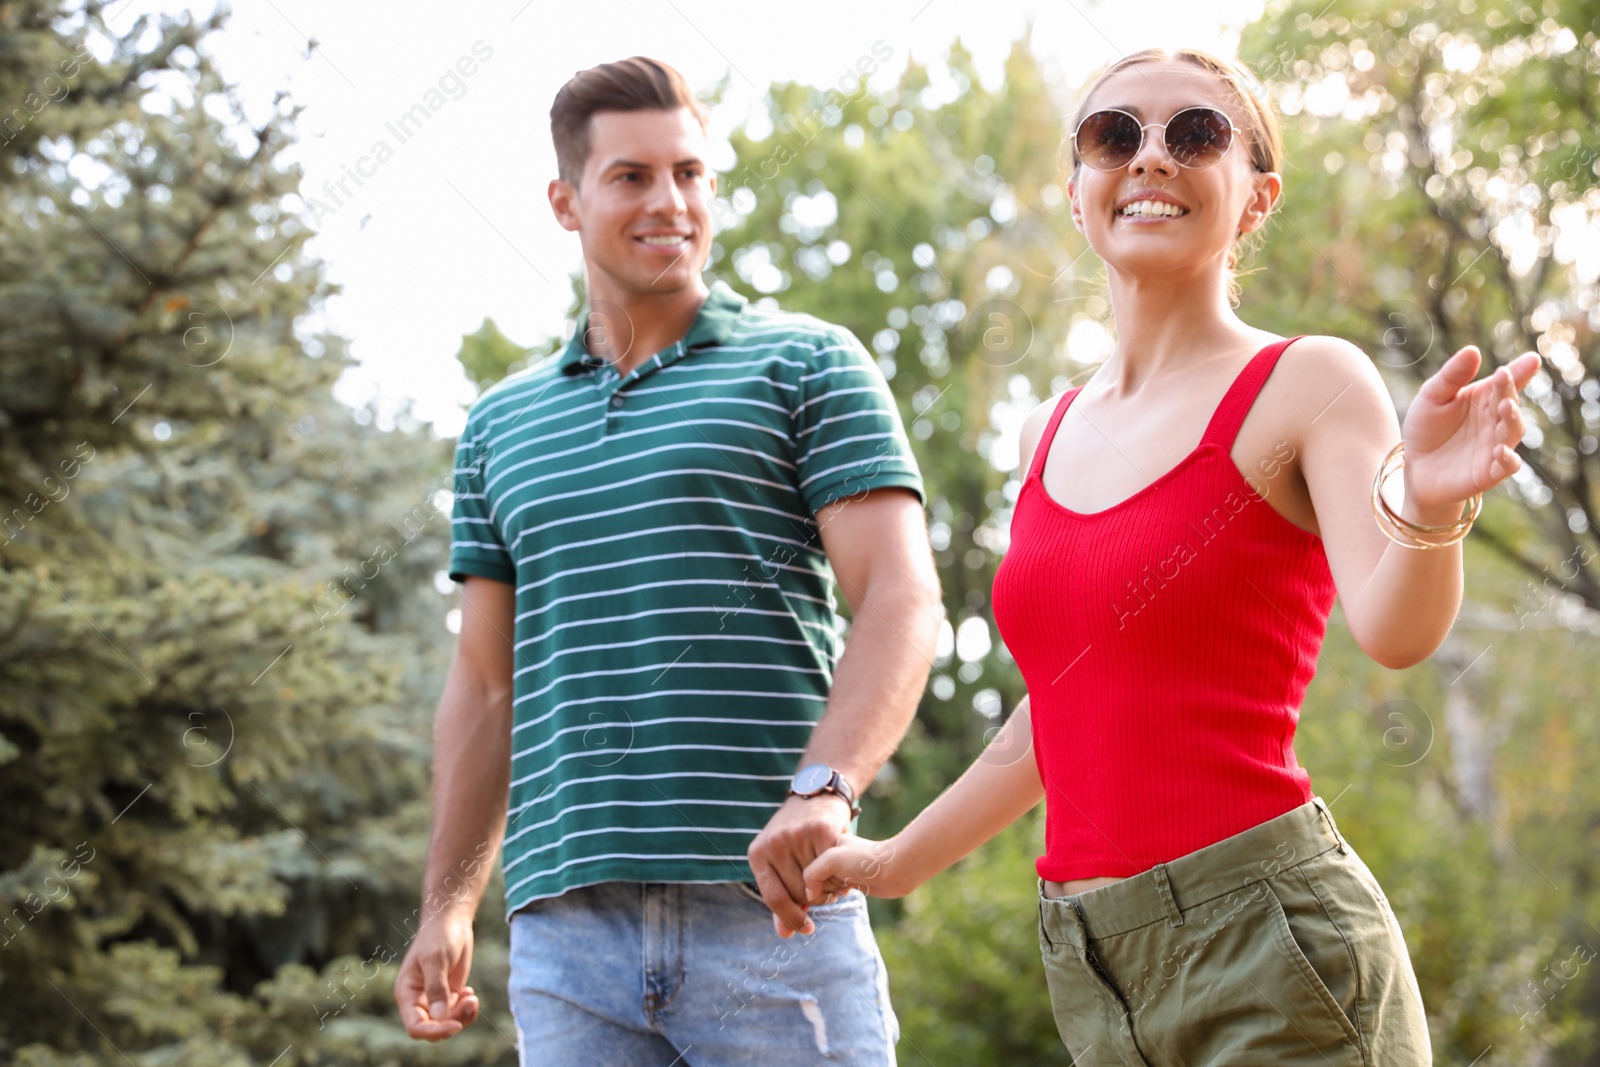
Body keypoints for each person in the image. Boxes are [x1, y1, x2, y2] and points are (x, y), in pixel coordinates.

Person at [803, 48, 1540, 1065]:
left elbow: (1396, 628)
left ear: (1255, 195)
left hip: (1273, 942)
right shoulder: (1044, 431)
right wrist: (895, 857)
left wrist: (1425, 500)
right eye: (1115, 136)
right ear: (1076, 194)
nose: (1150, 158)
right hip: (1091, 959)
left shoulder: (1308, 379)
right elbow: (1057, 708)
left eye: (1195, 134)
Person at [392, 56, 942, 1066]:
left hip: (774, 912)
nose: (670, 202)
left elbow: (901, 599)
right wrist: (448, 901)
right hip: (567, 934)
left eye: (690, 173)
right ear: (565, 202)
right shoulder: (501, 424)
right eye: (632, 177)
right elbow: (481, 684)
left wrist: (827, 786)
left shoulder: (806, 363)